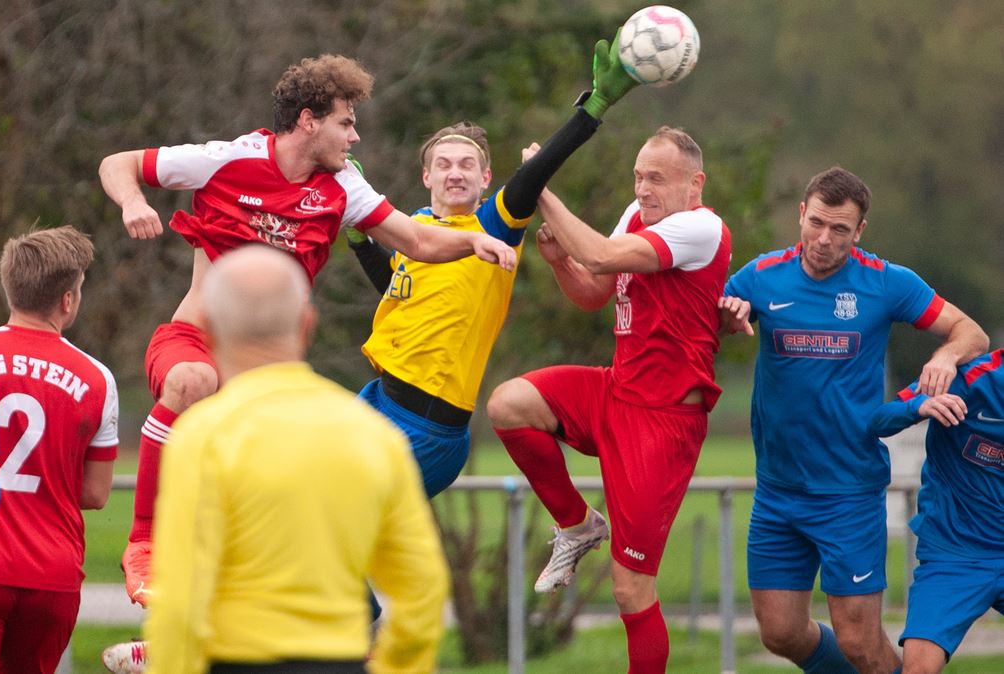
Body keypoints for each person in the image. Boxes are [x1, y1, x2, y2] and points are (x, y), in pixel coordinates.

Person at [98, 53, 515, 606]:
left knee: (282, 503)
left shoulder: (344, 188)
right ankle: (145, 542)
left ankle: (216, 631)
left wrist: (472, 240)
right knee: (192, 381)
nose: (356, 137)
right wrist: (131, 202)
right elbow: (118, 162)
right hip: (195, 343)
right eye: (346, 122)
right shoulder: (226, 159)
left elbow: (415, 242)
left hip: (268, 381)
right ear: (308, 120)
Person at [719, 166, 989, 673]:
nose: (824, 239)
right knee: (779, 632)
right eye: (816, 223)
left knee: (861, 643)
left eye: (839, 229)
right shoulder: (760, 276)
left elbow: (971, 333)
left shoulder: (886, 283)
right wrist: (726, 320)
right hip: (777, 489)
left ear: (859, 230)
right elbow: (710, 325)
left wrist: (946, 357)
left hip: (848, 491)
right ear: (801, 214)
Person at [486, 121, 732, 672]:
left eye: (658, 179)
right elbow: (595, 289)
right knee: (508, 405)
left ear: (696, 184)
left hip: (663, 422)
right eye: (639, 176)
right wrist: (557, 262)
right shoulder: (635, 214)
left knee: (630, 592)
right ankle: (577, 525)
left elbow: (597, 255)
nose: (643, 189)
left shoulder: (700, 228)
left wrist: (540, 184)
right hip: (615, 390)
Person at [348, 32, 637, 498]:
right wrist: (361, 240)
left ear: (485, 178)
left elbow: (533, 176)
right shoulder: (416, 228)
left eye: (468, 164)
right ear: (427, 176)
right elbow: (399, 290)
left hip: (427, 428)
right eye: (443, 164)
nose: (455, 172)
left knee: (336, 521)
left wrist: (593, 108)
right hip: (381, 400)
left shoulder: (492, 225)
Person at [136, 245, 448, 674]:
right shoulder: (371, 434)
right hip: (340, 660)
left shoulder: (203, 436)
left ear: (206, 329)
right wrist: (394, 664)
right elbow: (422, 587)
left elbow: (181, 598)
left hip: (236, 660)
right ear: (308, 325)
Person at [0, 226, 119, 673]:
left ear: (9, 288)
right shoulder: (98, 378)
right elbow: (95, 494)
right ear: (68, 301)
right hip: (50, 576)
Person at [869, 349, 1004, 672]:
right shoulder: (970, 379)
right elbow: (878, 419)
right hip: (955, 554)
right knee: (919, 666)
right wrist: (919, 407)